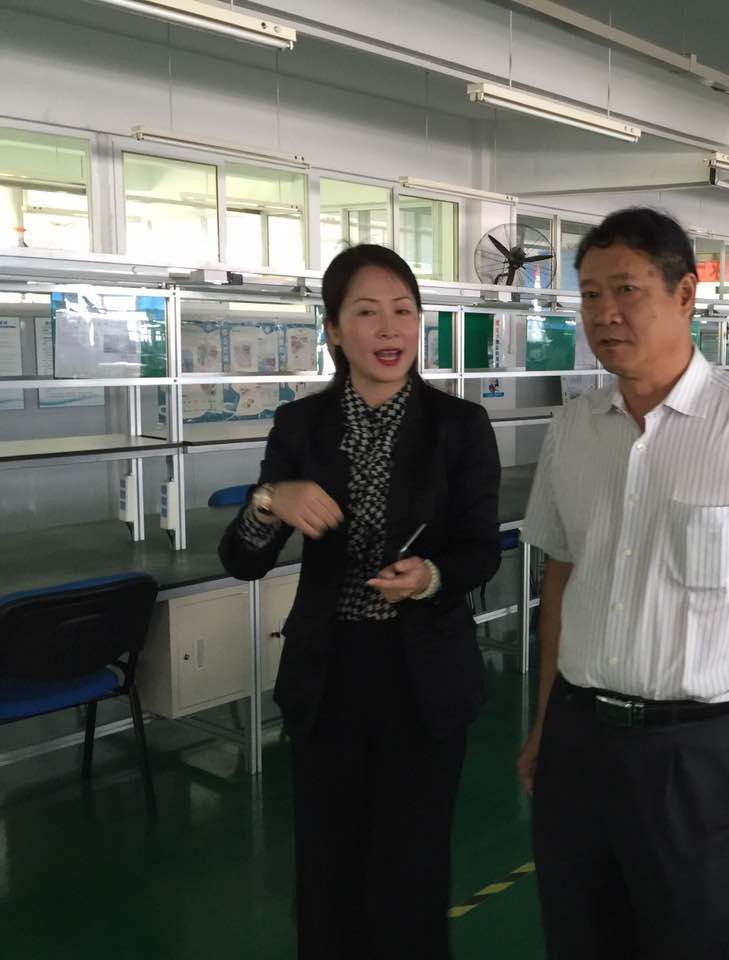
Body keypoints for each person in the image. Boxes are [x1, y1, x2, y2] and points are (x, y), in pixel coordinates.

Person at [517, 207, 729, 960]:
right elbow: (563, 579)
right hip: (579, 738)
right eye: (589, 294)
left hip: (697, 754)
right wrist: (545, 721)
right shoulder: (573, 429)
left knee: (695, 941)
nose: (604, 313)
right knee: (577, 937)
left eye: (627, 290)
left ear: (685, 295)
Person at [219, 244, 501, 960]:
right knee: (326, 868)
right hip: (329, 675)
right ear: (334, 330)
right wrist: (269, 500)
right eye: (367, 312)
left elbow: (480, 549)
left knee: (412, 870)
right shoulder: (300, 425)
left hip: (423, 677)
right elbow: (242, 560)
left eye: (403, 311)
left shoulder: (459, 426)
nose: (389, 329)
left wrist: (430, 576)